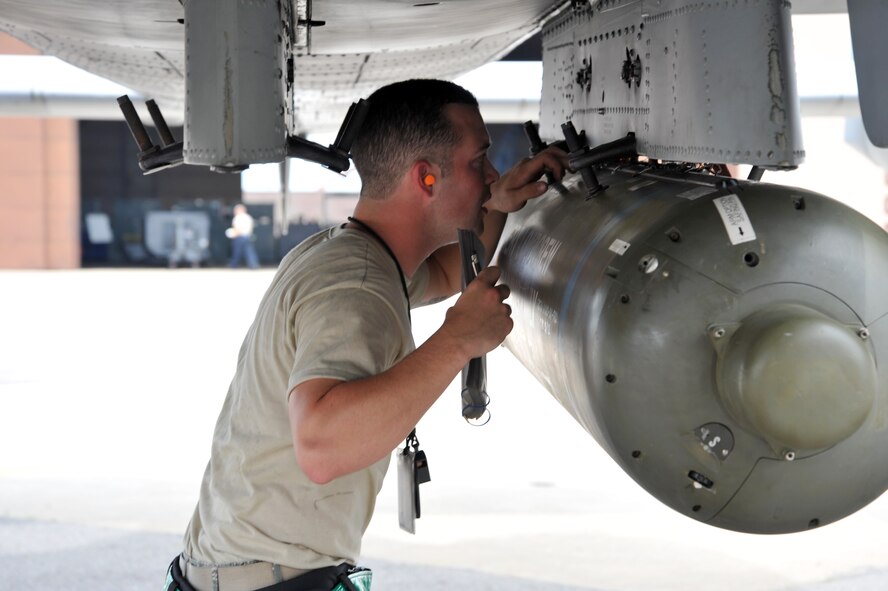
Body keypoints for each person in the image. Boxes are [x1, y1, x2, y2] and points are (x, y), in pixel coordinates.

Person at [165, 79, 569, 591]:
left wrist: (496, 201)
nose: (491, 175)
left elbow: (446, 276)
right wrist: (457, 341)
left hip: (246, 573)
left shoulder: (351, 254)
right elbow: (321, 446)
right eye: (478, 162)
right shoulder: (356, 283)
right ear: (425, 179)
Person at [226, 204, 260, 268]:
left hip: (240, 237)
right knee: (249, 252)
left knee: (236, 252)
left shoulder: (237, 217)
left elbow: (237, 229)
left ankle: (233, 264)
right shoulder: (248, 217)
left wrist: (233, 234)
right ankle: (254, 265)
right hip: (247, 236)